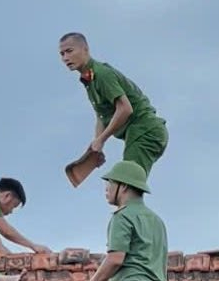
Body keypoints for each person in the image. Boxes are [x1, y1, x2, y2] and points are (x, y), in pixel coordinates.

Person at [70, 161, 169, 281]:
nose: (106, 188)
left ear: (123, 186)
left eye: (110, 183)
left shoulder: (122, 217)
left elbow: (115, 259)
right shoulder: (157, 221)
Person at [58, 32, 168, 175]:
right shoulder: (89, 79)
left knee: (127, 181)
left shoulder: (102, 74)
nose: (65, 58)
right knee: (123, 183)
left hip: (145, 130)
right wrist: (96, 147)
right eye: (62, 54)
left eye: (69, 51)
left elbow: (125, 109)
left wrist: (102, 139)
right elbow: (101, 116)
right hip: (139, 133)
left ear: (85, 49)